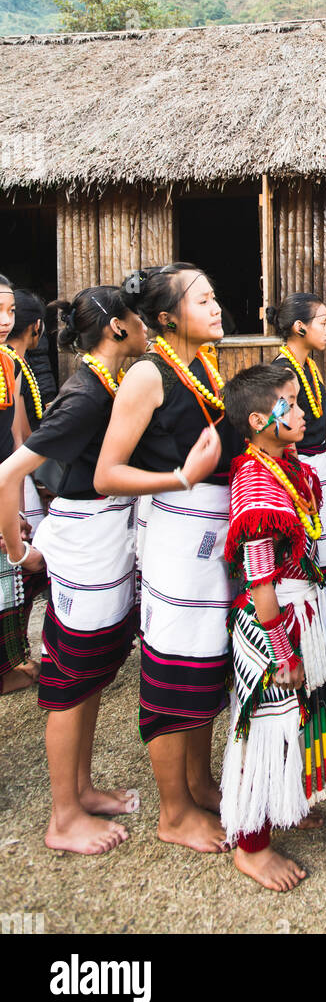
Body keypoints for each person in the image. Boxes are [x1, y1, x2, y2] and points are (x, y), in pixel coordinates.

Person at [94, 262, 243, 854]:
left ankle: (201, 783)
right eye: (202, 299)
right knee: (174, 670)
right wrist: (182, 477)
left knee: (205, 661)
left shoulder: (203, 365)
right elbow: (107, 474)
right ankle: (173, 811)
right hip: (177, 542)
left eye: (213, 296)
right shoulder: (146, 377)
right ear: (165, 318)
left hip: (212, 540)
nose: (215, 307)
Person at [0, 287, 148, 854]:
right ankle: (62, 816)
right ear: (115, 327)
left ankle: (82, 789)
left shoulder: (104, 381)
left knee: (91, 673)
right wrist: (20, 553)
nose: (145, 327)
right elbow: (9, 475)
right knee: (69, 679)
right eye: (137, 318)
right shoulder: (85, 395)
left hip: (104, 539)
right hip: (84, 541)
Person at [219, 363, 326, 891]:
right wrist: (281, 653)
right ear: (258, 418)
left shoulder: (284, 464)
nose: (301, 413)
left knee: (301, 718)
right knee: (269, 726)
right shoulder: (257, 486)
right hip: (276, 622)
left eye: (299, 402)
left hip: (301, 609)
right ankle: (252, 846)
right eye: (290, 405)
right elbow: (259, 583)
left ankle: (286, 801)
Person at [267, 293, 326, 592]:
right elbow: (278, 426)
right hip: (301, 469)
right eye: (322, 323)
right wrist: (298, 480)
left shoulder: (309, 367)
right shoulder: (284, 371)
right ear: (300, 327)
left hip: (317, 465)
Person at [0, 273, 43, 695]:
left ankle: (8, 663)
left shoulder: (8, 364)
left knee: (8, 583)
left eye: (10, 310)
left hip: (6, 477)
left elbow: (15, 437)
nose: (5, 320)